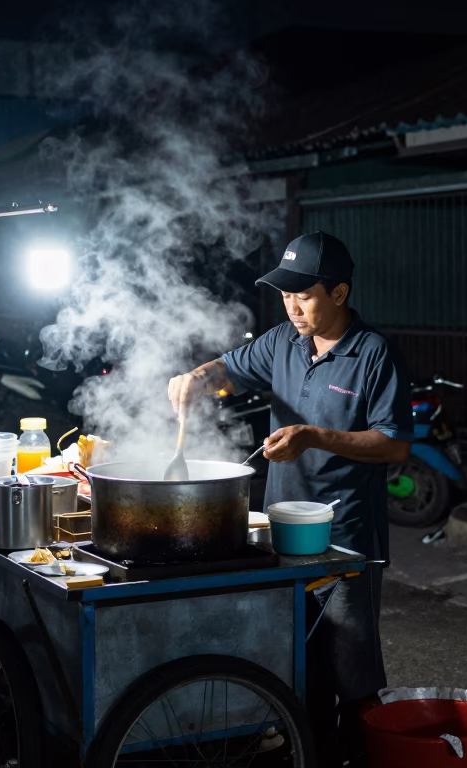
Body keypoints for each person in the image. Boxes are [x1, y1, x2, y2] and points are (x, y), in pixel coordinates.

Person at [167, 232, 412, 766]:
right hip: (283, 537)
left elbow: (393, 444)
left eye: (305, 295)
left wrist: (314, 435)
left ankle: (364, 755)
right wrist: (195, 378)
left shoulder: (374, 354)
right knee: (298, 666)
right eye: (285, 295)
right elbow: (227, 369)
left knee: (354, 670)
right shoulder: (283, 342)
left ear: (340, 292)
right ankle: (313, 754)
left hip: (345, 542)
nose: (292, 306)